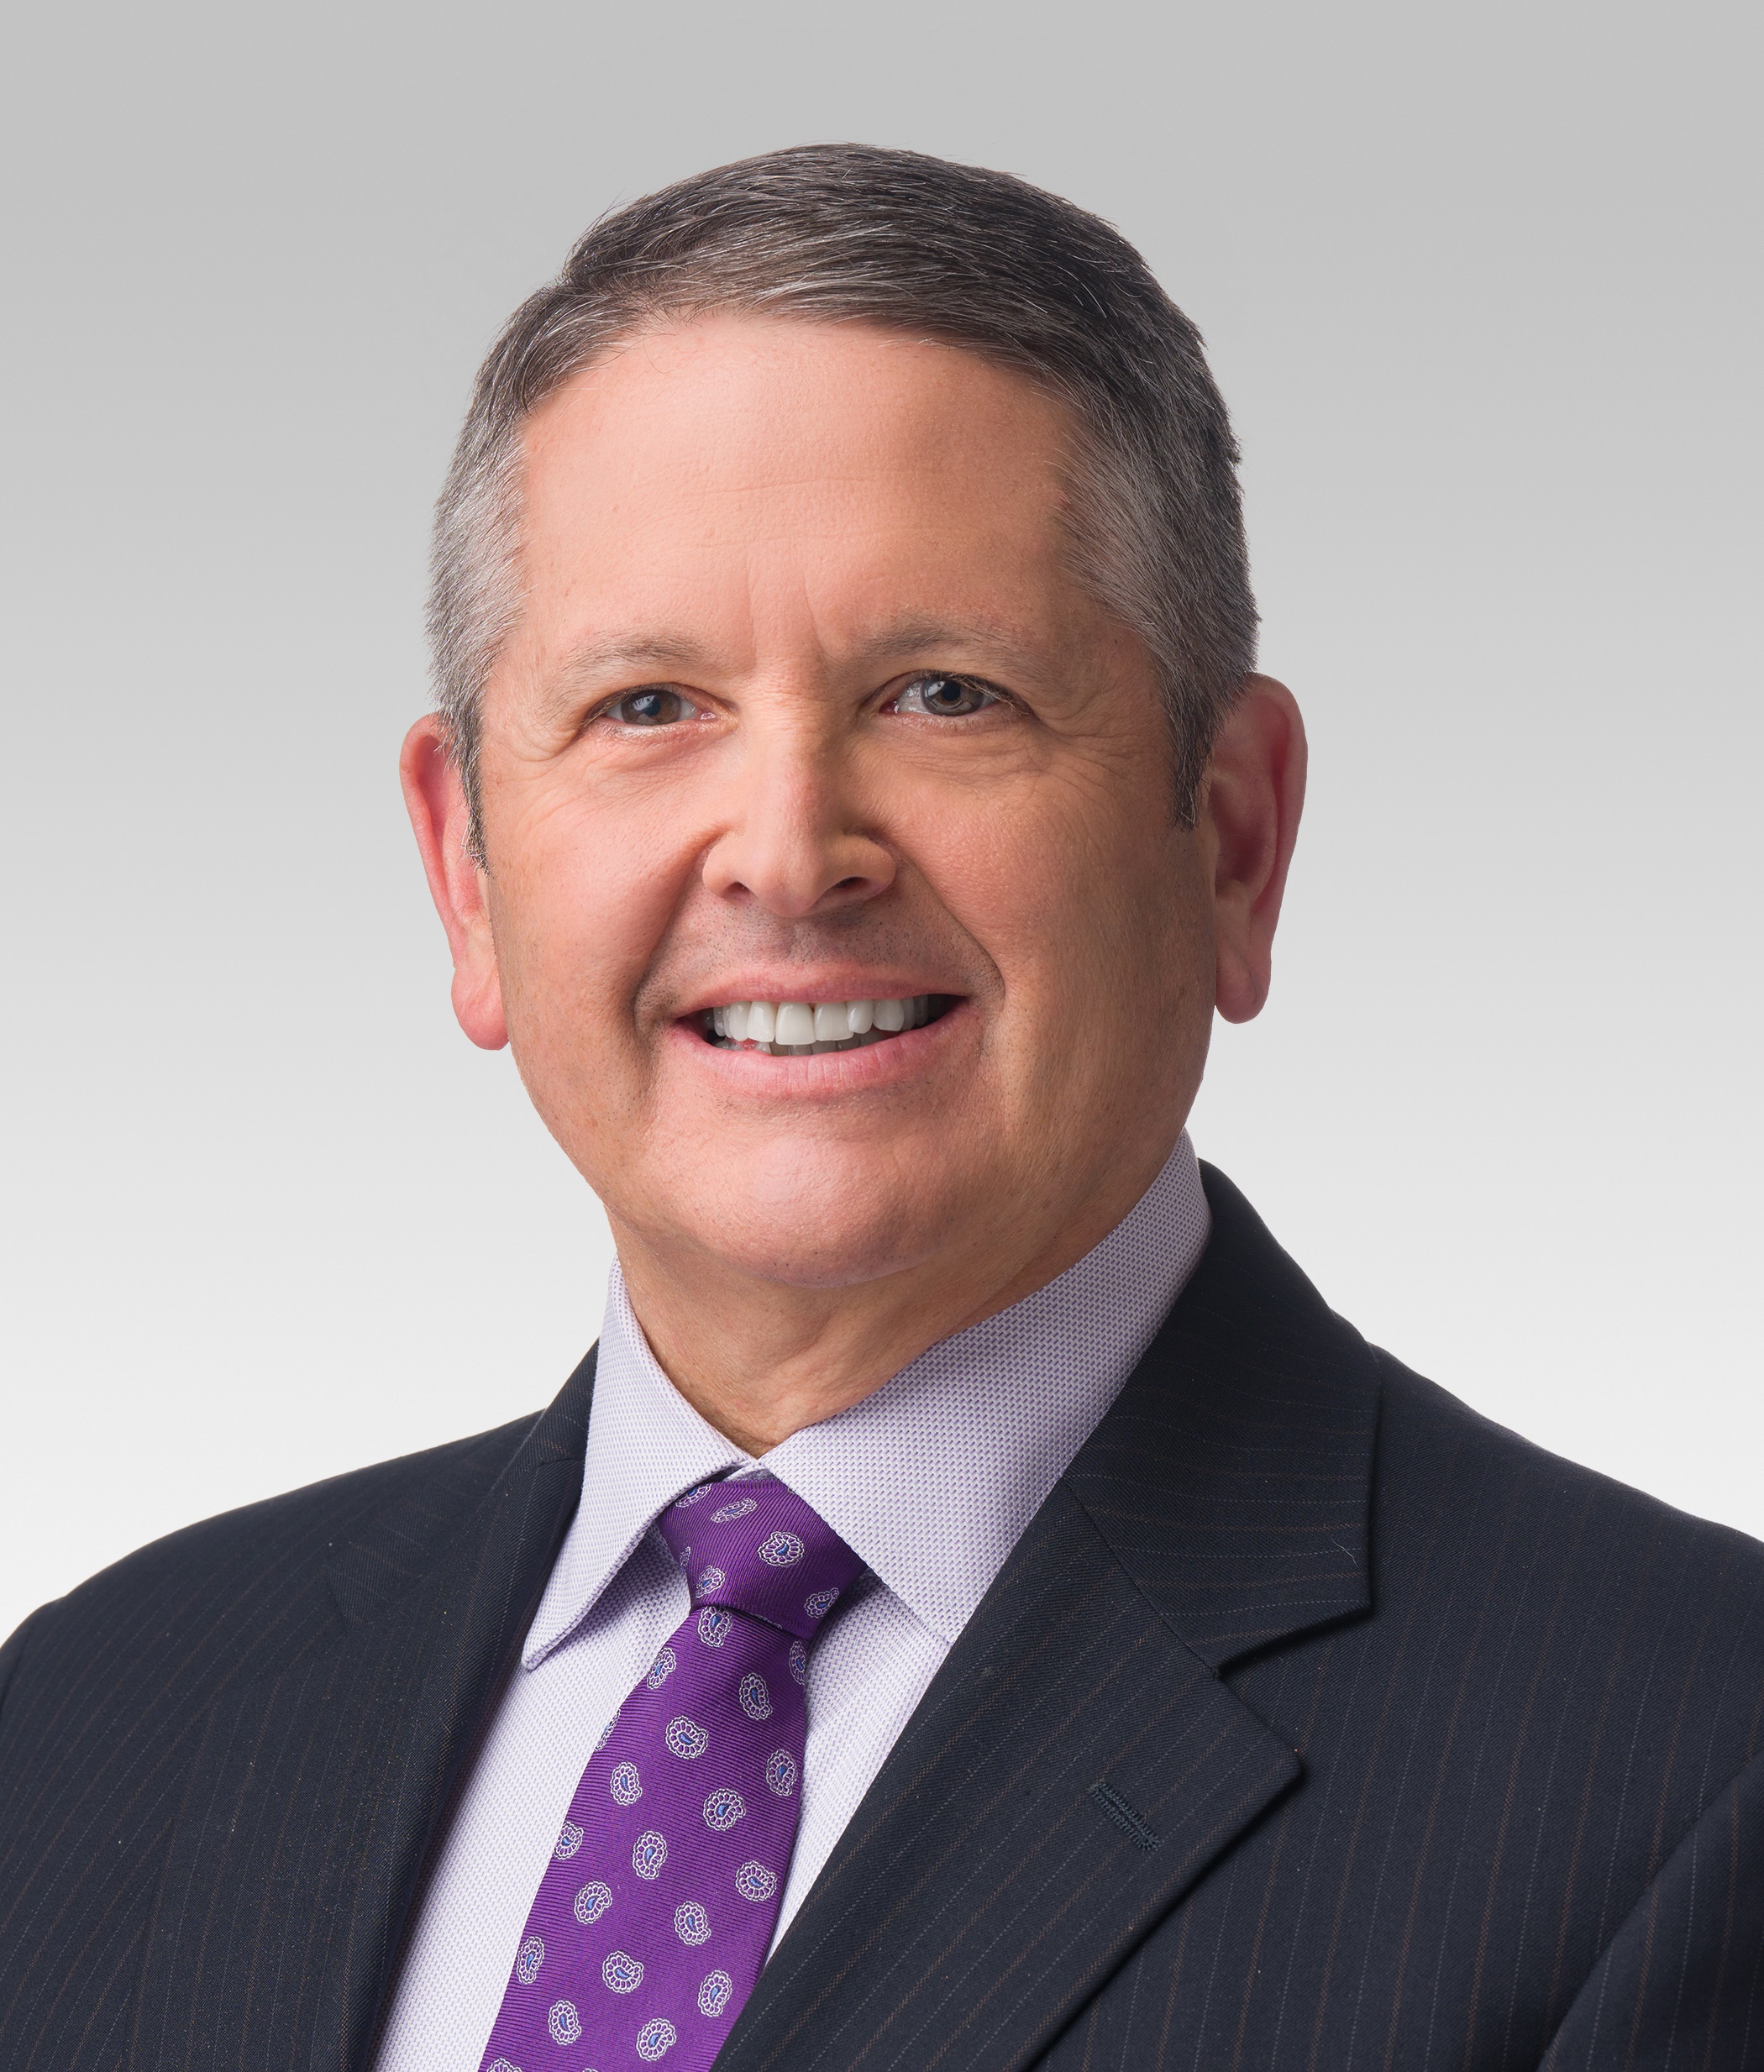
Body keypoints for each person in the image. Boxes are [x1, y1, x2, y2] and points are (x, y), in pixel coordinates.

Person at [1, 144, 1759, 2072]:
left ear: (1234, 838)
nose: (787, 852)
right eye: (648, 706)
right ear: (466, 873)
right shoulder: (91, 1720)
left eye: (945, 694)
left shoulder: (1689, 1768)